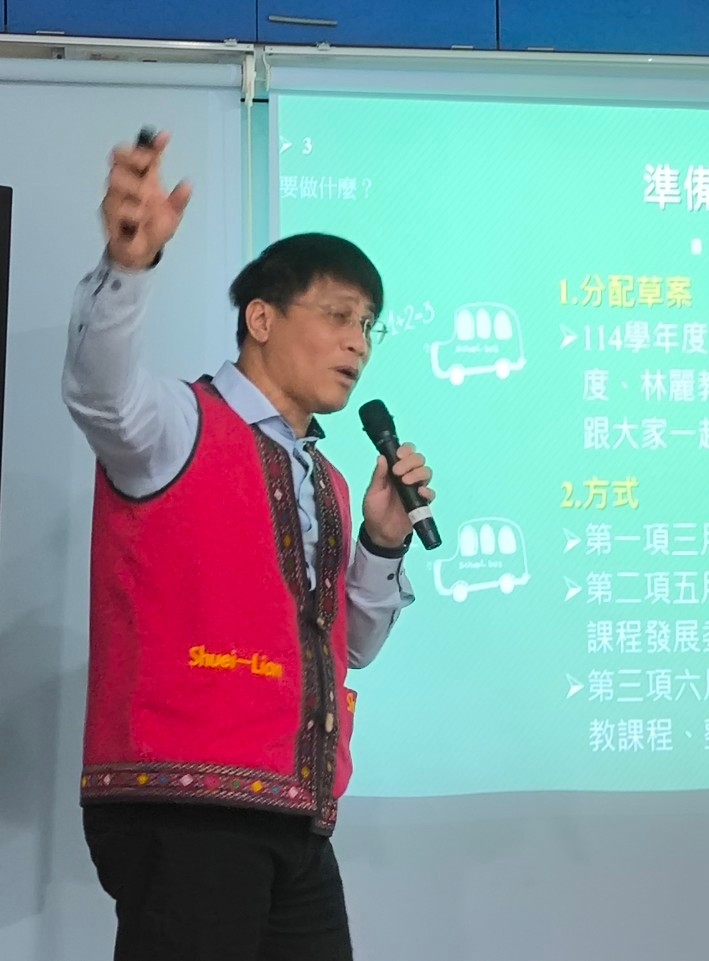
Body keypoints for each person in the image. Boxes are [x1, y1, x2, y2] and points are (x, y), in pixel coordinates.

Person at [61, 130, 432, 960]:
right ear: (261, 318)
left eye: (368, 324)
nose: (359, 342)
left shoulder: (330, 479)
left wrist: (381, 542)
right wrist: (127, 268)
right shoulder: (178, 423)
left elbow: (351, 645)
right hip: (183, 807)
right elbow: (99, 394)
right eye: (338, 315)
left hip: (295, 811)